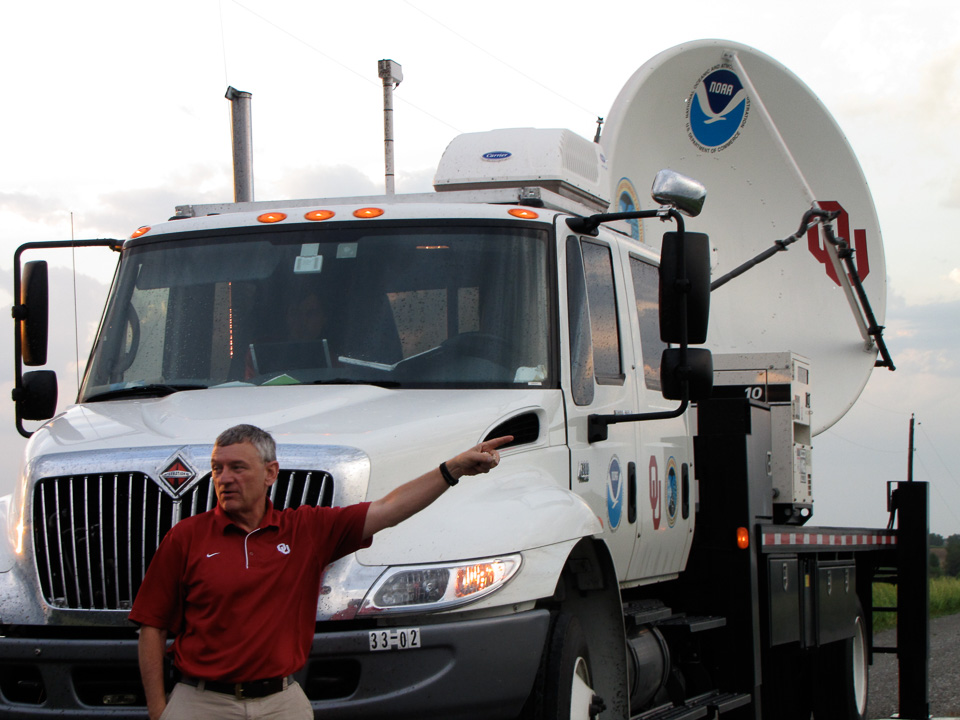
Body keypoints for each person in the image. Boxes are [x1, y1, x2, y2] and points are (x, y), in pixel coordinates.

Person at [129, 424, 512, 720]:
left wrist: (453, 469)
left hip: (281, 703)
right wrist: (159, 710)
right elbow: (152, 626)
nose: (224, 478)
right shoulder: (186, 537)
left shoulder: (306, 530)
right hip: (200, 703)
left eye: (237, 468)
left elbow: (388, 509)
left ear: (270, 473)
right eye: (217, 469)